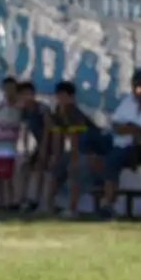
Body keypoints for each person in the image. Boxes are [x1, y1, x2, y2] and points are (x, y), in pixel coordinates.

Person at [100, 70, 141, 218]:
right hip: (121, 141)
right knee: (93, 141)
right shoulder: (128, 100)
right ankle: (102, 191)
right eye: (135, 86)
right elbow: (116, 125)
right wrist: (133, 128)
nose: (137, 90)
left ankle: (109, 202)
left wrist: (134, 129)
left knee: (112, 159)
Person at [45, 81, 105, 218]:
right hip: (76, 149)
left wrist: (73, 159)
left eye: (64, 96)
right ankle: (48, 206)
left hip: (90, 150)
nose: (61, 98)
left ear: (72, 97)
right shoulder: (58, 111)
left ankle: (73, 209)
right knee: (54, 167)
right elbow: (57, 135)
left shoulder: (75, 112)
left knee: (74, 169)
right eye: (59, 95)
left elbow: (75, 139)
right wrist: (55, 156)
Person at [0, 76, 23, 209]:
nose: (9, 91)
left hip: (9, 145)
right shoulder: (0, 105)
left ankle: (10, 201)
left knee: (8, 175)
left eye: (11, 88)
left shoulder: (19, 106)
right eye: (6, 88)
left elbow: (20, 125)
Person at [16, 81, 53, 213]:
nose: (26, 97)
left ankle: (37, 200)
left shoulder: (42, 108)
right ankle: (22, 199)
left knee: (39, 168)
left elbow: (48, 130)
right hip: (39, 144)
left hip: (51, 144)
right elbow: (25, 131)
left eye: (28, 94)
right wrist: (25, 150)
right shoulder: (24, 111)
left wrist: (43, 150)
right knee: (24, 168)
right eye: (22, 95)